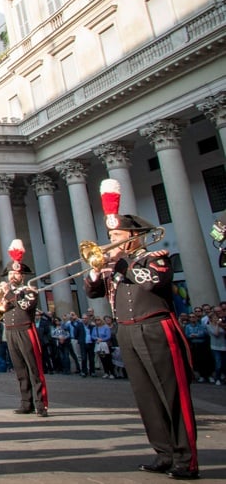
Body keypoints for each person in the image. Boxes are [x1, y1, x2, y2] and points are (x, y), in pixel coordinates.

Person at [85, 179, 198, 479]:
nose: (111, 241)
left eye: (117, 235)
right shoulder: (115, 267)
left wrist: (120, 264)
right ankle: (163, 452)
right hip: (127, 331)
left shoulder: (155, 258)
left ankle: (186, 459)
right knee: (146, 396)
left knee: (172, 395)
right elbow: (93, 292)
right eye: (110, 236)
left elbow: (151, 282)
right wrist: (96, 269)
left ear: (134, 237)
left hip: (156, 329)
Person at [0, 238, 48, 417]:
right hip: (10, 331)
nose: (12, 276)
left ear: (22, 276)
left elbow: (25, 306)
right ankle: (26, 403)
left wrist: (9, 293)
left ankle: (42, 405)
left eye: (16, 274)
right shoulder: (6, 293)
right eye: (10, 273)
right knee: (20, 369)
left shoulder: (30, 290)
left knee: (34, 369)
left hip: (26, 330)